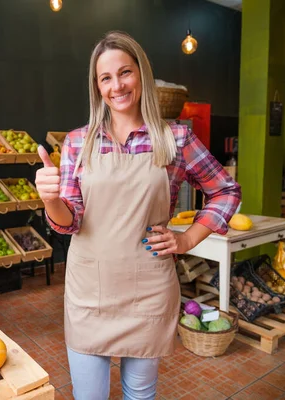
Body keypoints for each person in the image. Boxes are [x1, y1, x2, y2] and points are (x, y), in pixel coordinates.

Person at [35, 31, 241, 400]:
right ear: (97, 86)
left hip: (148, 290)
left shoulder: (174, 138)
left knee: (140, 395)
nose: (117, 85)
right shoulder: (78, 142)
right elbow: (70, 221)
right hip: (89, 293)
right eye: (106, 78)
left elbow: (226, 190)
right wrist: (50, 199)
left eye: (125, 72)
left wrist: (187, 239)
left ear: (141, 75)